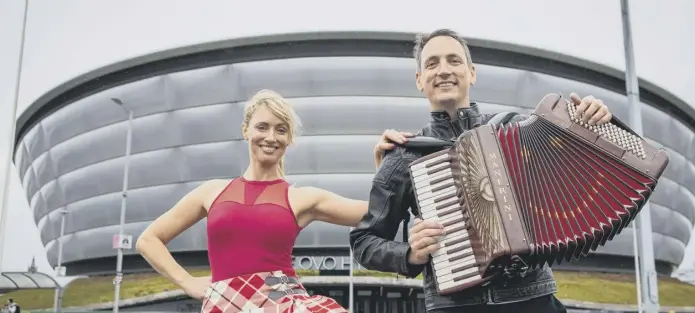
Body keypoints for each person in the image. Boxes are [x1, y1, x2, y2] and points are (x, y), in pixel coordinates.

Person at [350, 28, 614, 313]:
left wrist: (593, 123)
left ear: (472, 73)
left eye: (454, 60)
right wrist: (409, 253)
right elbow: (364, 242)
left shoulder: (518, 129)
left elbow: (577, 172)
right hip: (455, 305)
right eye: (431, 63)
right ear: (419, 80)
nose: (443, 70)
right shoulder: (404, 154)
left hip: (532, 299)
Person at [136, 89, 406, 312]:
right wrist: (187, 282)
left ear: (289, 139)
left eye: (280, 130)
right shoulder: (211, 192)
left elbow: (379, 213)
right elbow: (148, 240)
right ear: (246, 130)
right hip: (224, 304)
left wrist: (382, 169)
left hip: (280, 301)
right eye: (262, 127)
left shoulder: (302, 198)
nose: (270, 137)